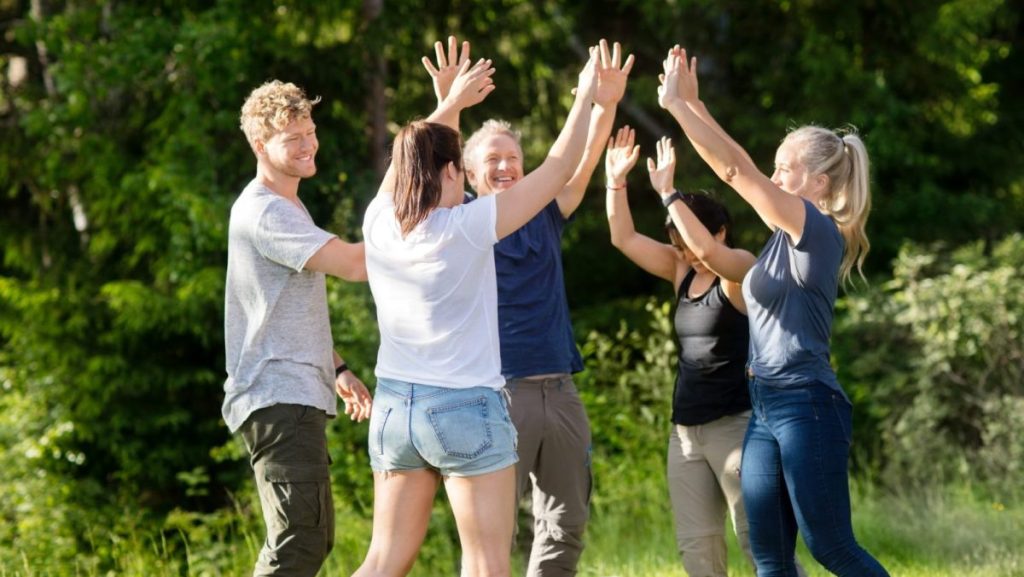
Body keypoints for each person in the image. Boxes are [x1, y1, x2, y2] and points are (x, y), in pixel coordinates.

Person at [355, 38, 602, 577]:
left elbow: (410, 154)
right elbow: (559, 168)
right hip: (463, 407)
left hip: (395, 409)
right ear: (451, 172)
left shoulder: (377, 219)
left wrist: (451, 104)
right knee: (488, 562)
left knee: (383, 560)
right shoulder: (464, 227)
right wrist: (583, 98)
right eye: (456, 167)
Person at [657, 46, 890, 577]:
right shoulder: (775, 246)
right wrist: (689, 104)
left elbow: (737, 171)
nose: (775, 177)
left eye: (786, 170)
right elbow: (723, 232)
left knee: (831, 547)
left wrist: (681, 107)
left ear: (819, 184)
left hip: (807, 404)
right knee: (769, 556)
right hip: (764, 405)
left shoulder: (815, 229)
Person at [444, 38, 632, 576]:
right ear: (471, 174)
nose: (505, 166)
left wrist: (606, 104)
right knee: (492, 536)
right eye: (492, 160)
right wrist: (451, 105)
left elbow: (580, 161)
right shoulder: (467, 221)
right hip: (502, 392)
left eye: (513, 158)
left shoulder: (545, 213)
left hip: (561, 389)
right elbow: (434, 171)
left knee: (567, 522)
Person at [604, 129, 807, 577]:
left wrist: (669, 193)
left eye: (688, 243)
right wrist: (615, 183)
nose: (686, 254)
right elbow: (623, 238)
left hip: (736, 428)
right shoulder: (681, 270)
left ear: (719, 230)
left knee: (761, 542)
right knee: (698, 552)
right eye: (677, 247)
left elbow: (708, 251)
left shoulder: (739, 270)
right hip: (685, 434)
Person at [224, 80, 374, 577]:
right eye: (294, 138)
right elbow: (354, 264)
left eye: (309, 131)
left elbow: (280, 310)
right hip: (278, 399)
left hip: (295, 394)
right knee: (298, 543)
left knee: (313, 538)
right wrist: (425, 232)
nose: (309, 144)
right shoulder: (265, 211)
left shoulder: (289, 205)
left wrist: (337, 368)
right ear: (260, 145)